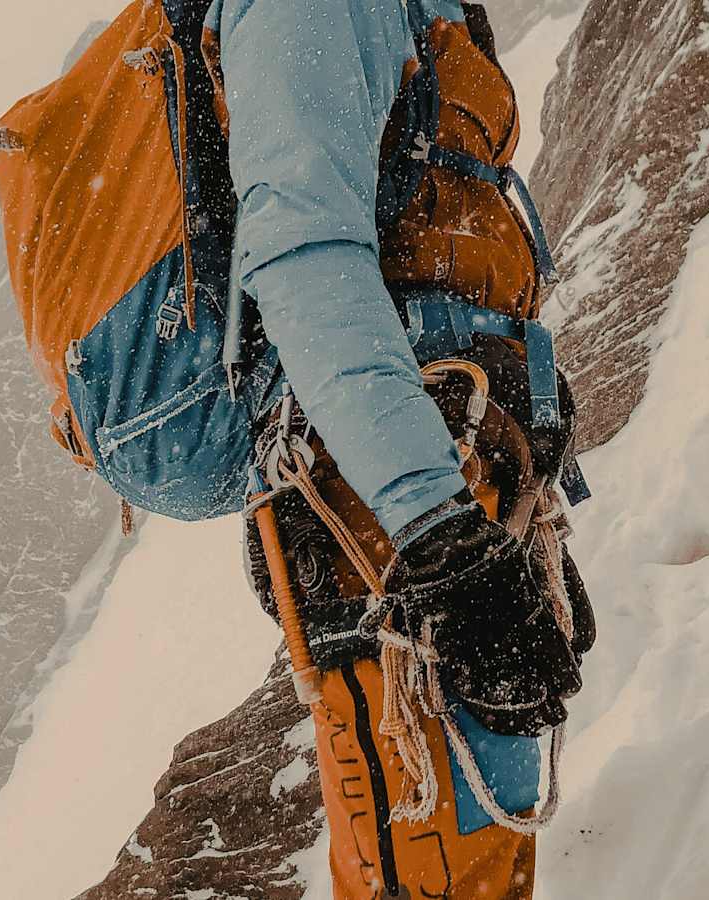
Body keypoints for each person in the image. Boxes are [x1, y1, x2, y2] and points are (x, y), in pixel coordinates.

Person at [211, 0, 589, 896]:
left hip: (444, 474)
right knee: (434, 858)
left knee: (482, 835)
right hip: (382, 520)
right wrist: (437, 529)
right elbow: (303, 255)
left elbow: (450, 258)